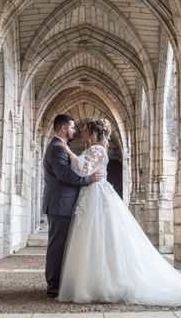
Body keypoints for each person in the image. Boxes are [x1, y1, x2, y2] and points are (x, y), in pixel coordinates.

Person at [57, 118, 181, 305]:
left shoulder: (97, 149)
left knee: (100, 238)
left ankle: (104, 283)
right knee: (95, 239)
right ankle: (95, 282)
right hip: (92, 194)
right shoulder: (92, 149)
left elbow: (83, 169)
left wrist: (68, 151)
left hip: (97, 195)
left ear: (92, 132)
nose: (81, 132)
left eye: (84, 129)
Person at [42, 114, 103, 298]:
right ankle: (53, 284)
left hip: (63, 204)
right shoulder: (57, 149)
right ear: (64, 129)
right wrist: (88, 179)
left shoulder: (60, 147)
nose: (75, 131)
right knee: (57, 245)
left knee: (62, 245)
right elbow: (65, 176)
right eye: (73, 128)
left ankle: (58, 281)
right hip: (60, 204)